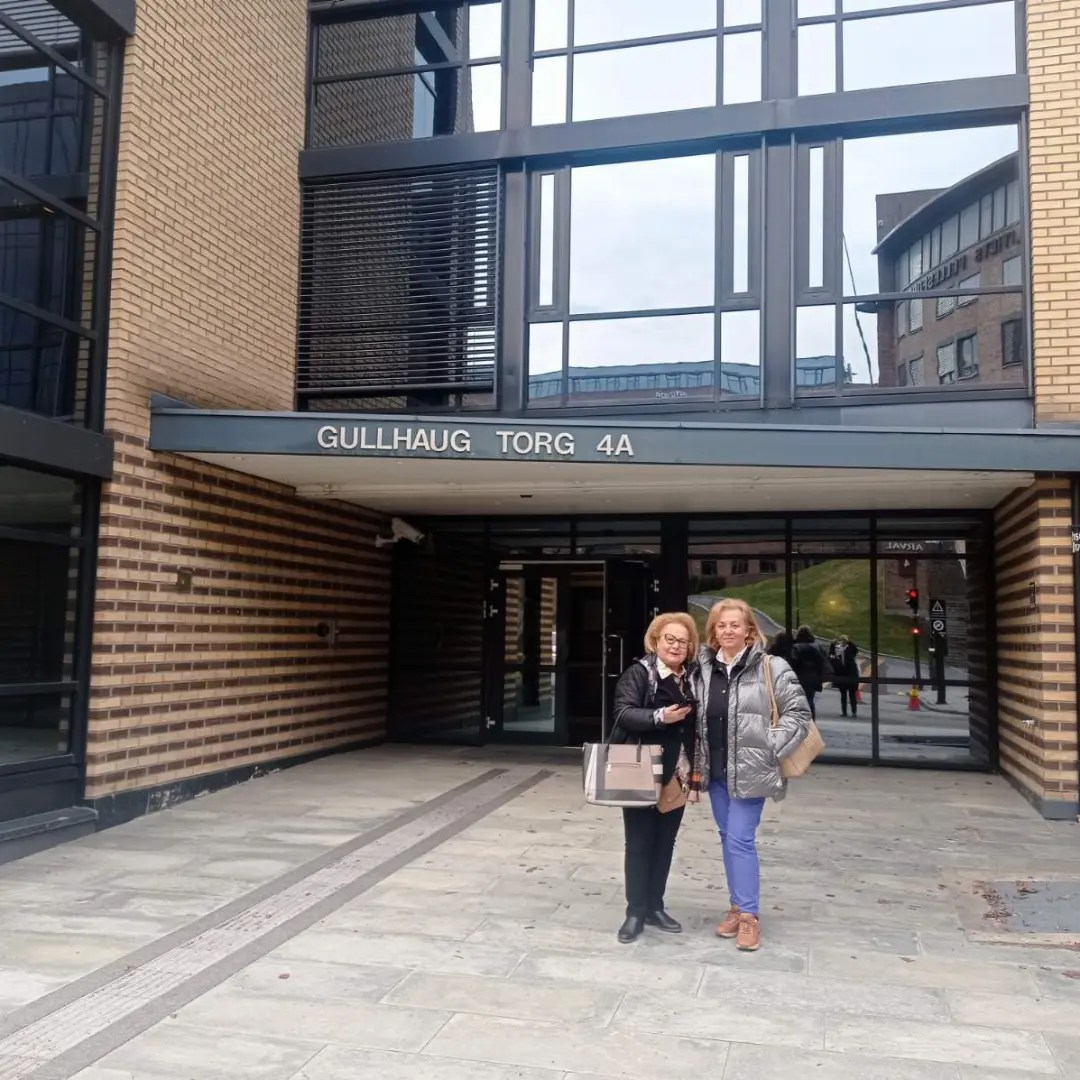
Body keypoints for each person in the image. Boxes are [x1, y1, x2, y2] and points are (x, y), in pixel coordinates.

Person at [691, 599, 812, 952]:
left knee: (740, 839)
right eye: (721, 625)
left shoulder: (772, 666)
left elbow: (798, 714)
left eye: (735, 624)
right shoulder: (704, 668)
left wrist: (769, 748)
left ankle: (749, 916)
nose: (728, 630)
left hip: (752, 770)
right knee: (727, 836)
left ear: (749, 630)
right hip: (715, 769)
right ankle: (736, 905)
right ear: (714, 632)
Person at [610, 612, 699, 944]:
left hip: (677, 773)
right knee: (639, 843)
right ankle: (635, 912)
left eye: (683, 641)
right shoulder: (639, 673)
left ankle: (655, 907)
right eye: (669, 639)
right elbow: (623, 713)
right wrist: (661, 717)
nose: (676, 646)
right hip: (640, 770)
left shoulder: (692, 677)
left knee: (665, 842)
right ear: (656, 641)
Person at [790, 624, 829, 721]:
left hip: (799, 677)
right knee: (810, 700)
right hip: (813, 676)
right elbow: (823, 661)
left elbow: (793, 662)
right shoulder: (816, 647)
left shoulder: (795, 647)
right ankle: (811, 721)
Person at [829, 635, 860, 717]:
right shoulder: (837, 648)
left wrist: (849, 642)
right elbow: (831, 656)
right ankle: (844, 712)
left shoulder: (850, 648)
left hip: (851, 673)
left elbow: (855, 650)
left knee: (852, 694)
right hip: (841, 673)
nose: (842, 642)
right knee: (843, 694)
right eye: (841, 640)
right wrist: (832, 645)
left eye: (844, 640)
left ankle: (854, 712)